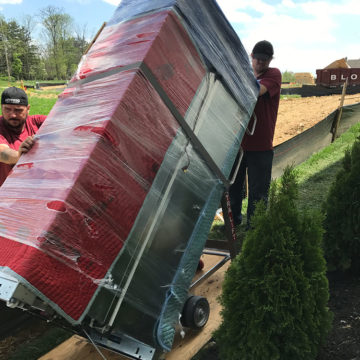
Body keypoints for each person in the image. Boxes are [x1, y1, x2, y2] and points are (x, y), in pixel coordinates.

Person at [229, 40, 281, 229]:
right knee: (233, 186)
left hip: (260, 145)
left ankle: (255, 226)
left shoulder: (273, 74)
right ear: (251, 56)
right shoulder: (245, 73)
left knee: (258, 190)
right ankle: (233, 221)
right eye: (257, 58)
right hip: (238, 143)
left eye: (264, 60)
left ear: (270, 60)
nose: (260, 62)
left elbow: (256, 91)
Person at [0, 87, 46, 186]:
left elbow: (63, 123)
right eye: (7, 109)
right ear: (1, 108)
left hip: (37, 188)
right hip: (8, 195)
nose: (13, 115)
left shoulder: (36, 122)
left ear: (28, 109)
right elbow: (2, 152)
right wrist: (19, 156)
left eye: (18, 110)